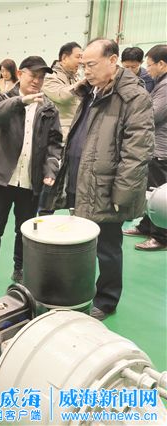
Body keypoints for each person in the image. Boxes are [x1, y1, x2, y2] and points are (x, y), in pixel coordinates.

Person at [60, 39, 154, 320]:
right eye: (83, 66)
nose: (86, 71)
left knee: (108, 248)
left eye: (91, 65)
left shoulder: (133, 98)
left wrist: (121, 195)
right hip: (82, 180)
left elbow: (137, 152)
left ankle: (107, 300)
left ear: (112, 60)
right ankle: (79, 292)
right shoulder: (91, 92)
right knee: (81, 243)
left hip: (107, 188)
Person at [0, 56, 63, 289]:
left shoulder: (49, 108)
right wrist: (21, 101)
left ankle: (19, 270)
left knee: (25, 229)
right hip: (2, 177)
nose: (37, 81)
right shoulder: (3, 98)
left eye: (41, 77)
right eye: (33, 75)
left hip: (30, 180)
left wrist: (51, 169)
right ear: (20, 74)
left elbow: (54, 143)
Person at [122, 44, 167, 251]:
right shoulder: (160, 83)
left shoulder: (165, 86)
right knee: (150, 192)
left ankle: (161, 237)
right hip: (155, 147)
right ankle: (146, 226)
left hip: (161, 149)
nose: (147, 70)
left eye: (149, 65)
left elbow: (154, 114)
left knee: (160, 196)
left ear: (161, 64)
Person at [43, 42, 83, 141]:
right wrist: (82, 83)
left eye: (82, 57)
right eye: (78, 57)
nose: (81, 61)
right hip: (60, 133)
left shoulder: (74, 78)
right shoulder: (50, 77)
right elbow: (61, 96)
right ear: (64, 58)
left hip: (76, 130)